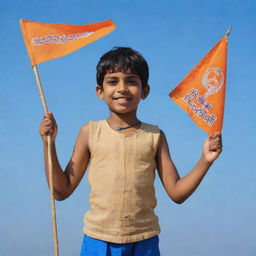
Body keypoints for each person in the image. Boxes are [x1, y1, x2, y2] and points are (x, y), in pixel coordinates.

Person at [39, 47, 222, 256]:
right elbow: (61, 191)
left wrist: (205, 160)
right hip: (98, 241)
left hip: (144, 241)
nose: (122, 88)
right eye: (113, 81)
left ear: (145, 91)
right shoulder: (90, 132)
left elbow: (177, 193)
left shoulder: (155, 136)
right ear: (100, 91)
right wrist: (48, 143)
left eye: (132, 81)